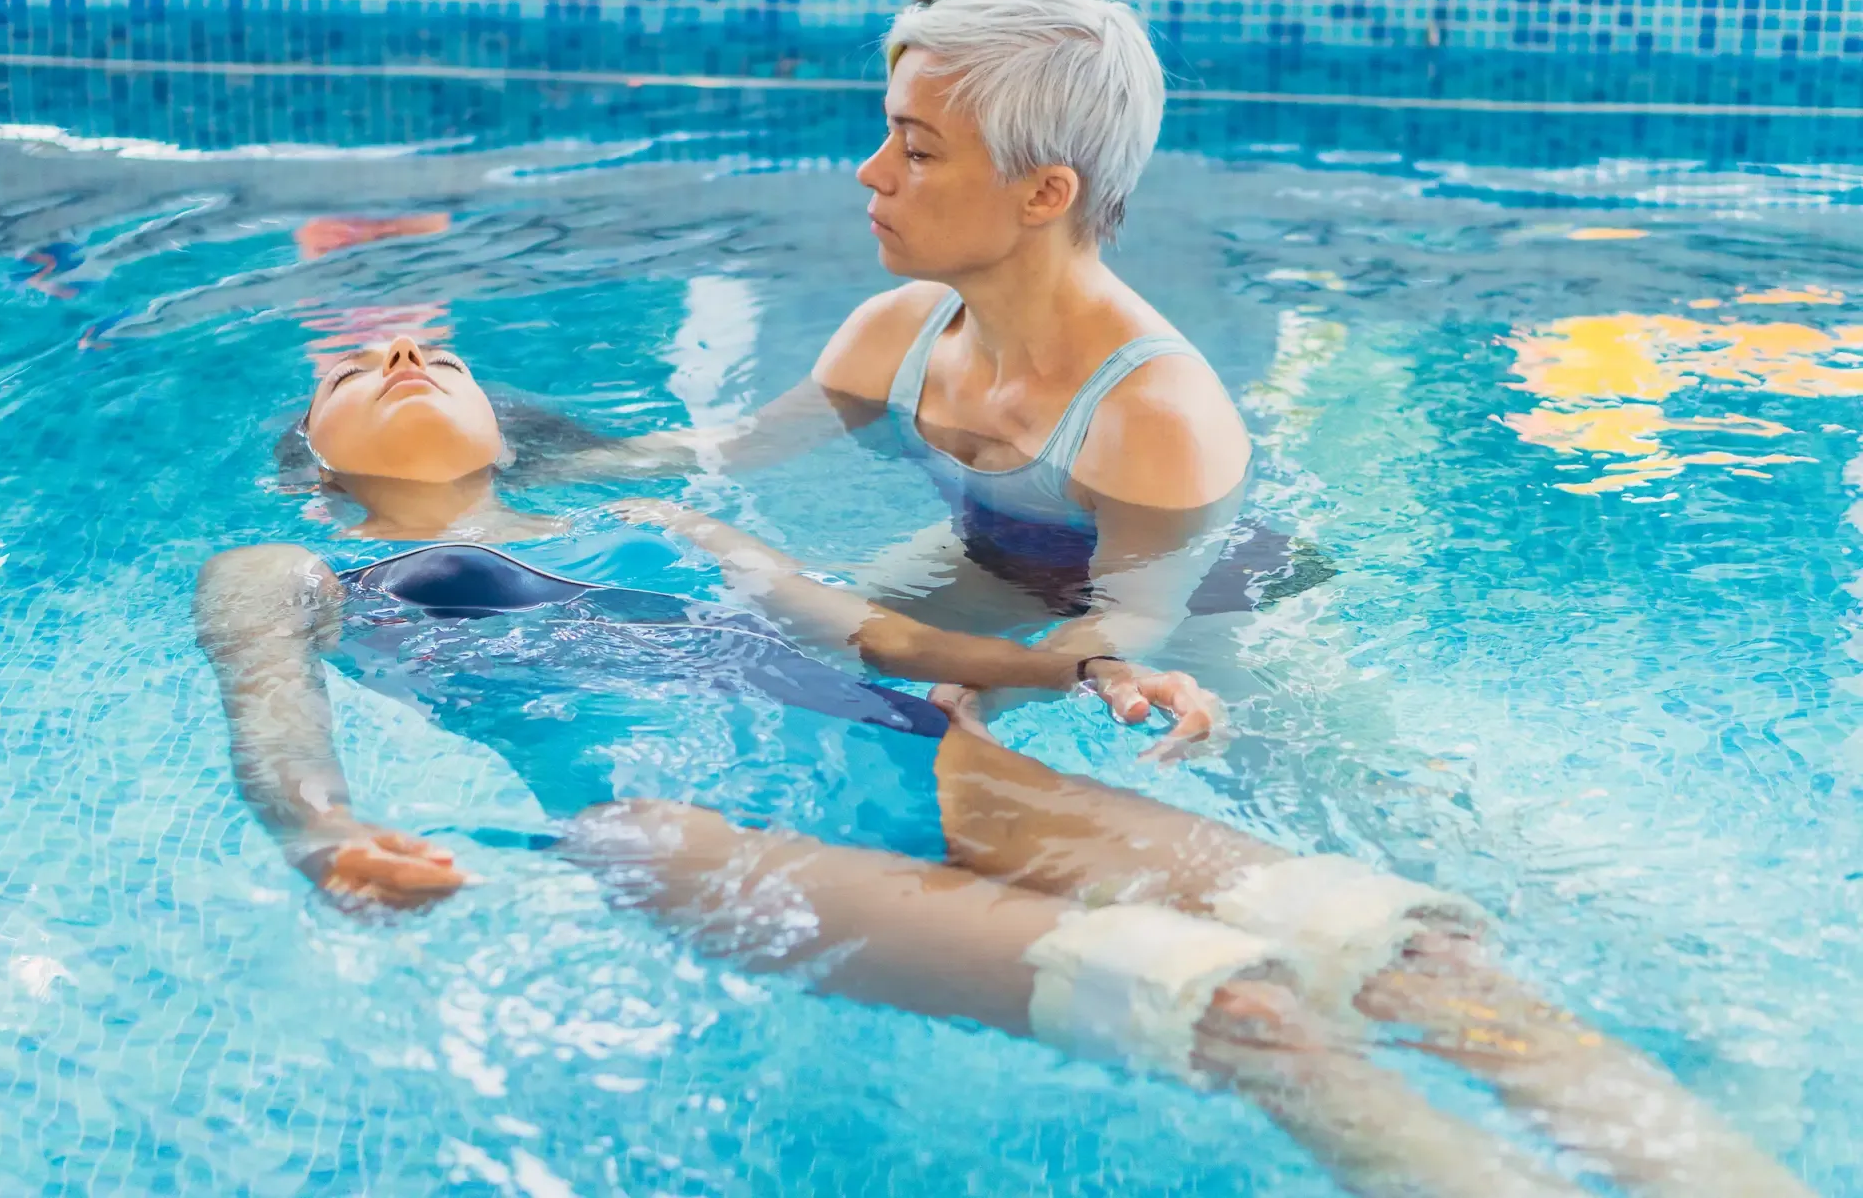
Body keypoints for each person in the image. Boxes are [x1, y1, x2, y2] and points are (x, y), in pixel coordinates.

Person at [197, 340, 1806, 1198]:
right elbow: (274, 713)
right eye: (358, 370)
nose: (405, 352)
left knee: (1419, 954)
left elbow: (878, 640)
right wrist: (324, 832)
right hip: (680, 828)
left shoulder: (660, 526)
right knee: (1237, 1010)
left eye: (440, 357)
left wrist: (1088, 664)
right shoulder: (285, 567)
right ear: (315, 463)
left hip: (926, 761)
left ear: (509, 426)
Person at [555, 0, 1255, 653]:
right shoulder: (898, 337)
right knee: (770, 646)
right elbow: (736, 448)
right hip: (998, 563)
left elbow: (1129, 627)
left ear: (1044, 194)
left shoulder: (1155, 420)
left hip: (1195, 617)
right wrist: (538, 463)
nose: (872, 169)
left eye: (917, 149)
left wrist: (990, 691)